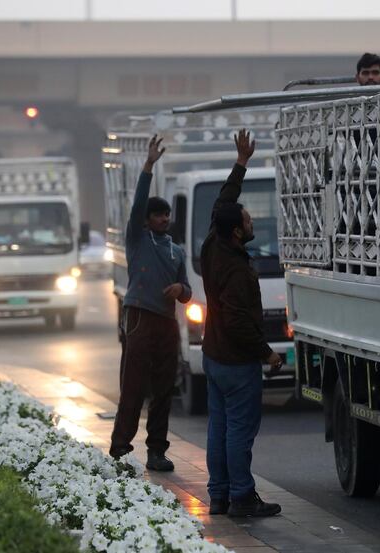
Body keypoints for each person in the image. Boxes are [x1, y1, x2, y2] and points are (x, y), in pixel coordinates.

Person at [200, 129, 283, 518]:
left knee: (219, 428)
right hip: (235, 361)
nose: (252, 223)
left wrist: (241, 164)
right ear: (238, 232)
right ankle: (242, 496)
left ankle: (218, 495)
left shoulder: (212, 244)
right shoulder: (235, 269)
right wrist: (266, 353)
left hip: (214, 356)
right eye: (248, 221)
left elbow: (223, 203)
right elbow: (236, 320)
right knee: (239, 432)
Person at [109, 135, 192, 472]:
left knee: (164, 390)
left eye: (166, 215)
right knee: (133, 387)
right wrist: (148, 166)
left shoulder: (176, 251)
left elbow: (187, 291)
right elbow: (137, 203)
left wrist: (180, 290)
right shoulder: (137, 240)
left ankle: (157, 451)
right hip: (140, 319)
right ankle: (120, 450)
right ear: (145, 221)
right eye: (157, 215)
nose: (163, 219)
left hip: (167, 324)